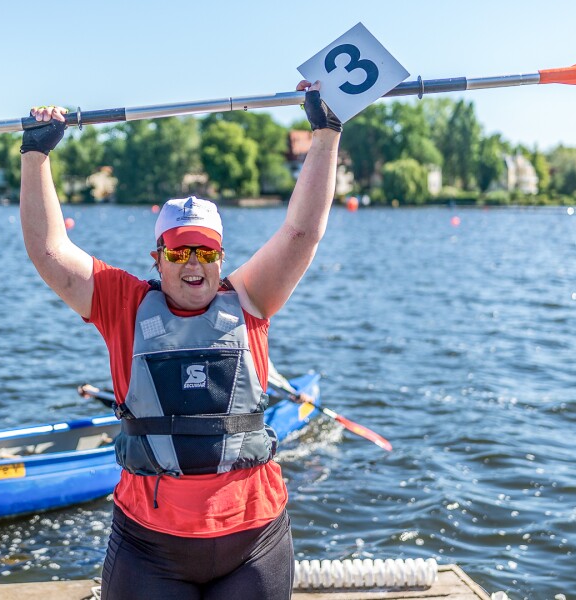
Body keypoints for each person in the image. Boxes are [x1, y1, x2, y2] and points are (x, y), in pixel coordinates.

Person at [19, 79, 341, 600]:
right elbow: (49, 250)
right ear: (158, 259)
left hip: (253, 540)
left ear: (221, 258)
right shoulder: (120, 304)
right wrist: (36, 156)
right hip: (150, 546)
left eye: (206, 253)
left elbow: (302, 231)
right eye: (179, 252)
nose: (194, 264)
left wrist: (325, 133)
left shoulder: (252, 296)